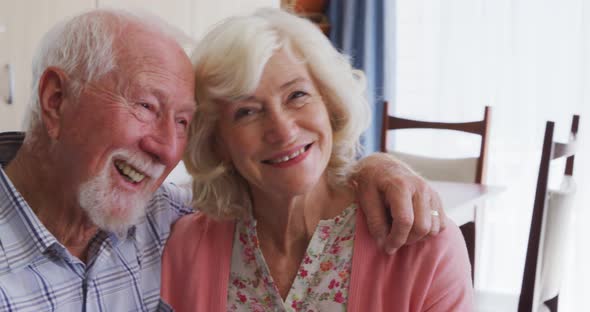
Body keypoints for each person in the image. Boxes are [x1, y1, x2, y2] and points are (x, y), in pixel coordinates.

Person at [0, 8, 447, 312]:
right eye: (146, 106)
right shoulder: (182, 236)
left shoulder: (161, 219)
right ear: (56, 100)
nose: (164, 148)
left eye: (181, 122)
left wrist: (376, 167)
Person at [160, 8, 473, 312]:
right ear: (218, 142)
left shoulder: (421, 243)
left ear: (330, 104)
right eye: (247, 111)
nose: (282, 131)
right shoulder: (185, 250)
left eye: (297, 95)